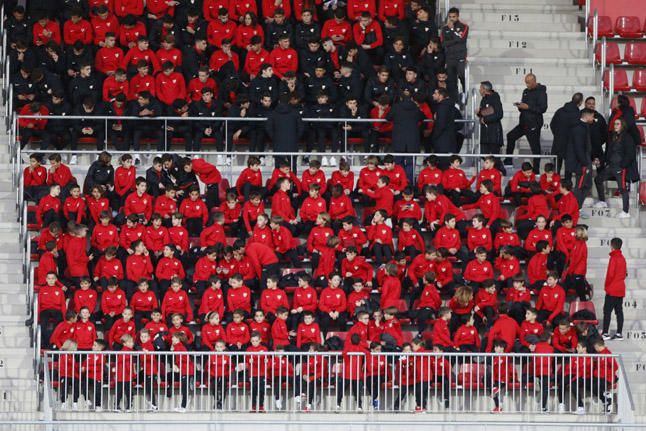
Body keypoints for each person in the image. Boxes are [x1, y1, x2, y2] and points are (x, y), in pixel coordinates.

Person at [593, 118, 638, 218]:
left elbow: (630, 154)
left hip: (620, 167)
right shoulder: (613, 137)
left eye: (617, 124)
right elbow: (609, 152)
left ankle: (625, 212)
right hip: (611, 166)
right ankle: (602, 201)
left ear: (622, 125)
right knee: (598, 179)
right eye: (614, 124)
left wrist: (622, 166)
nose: (615, 126)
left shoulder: (627, 137)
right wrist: (603, 161)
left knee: (622, 189)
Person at [505, 73, 548, 173]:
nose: (527, 85)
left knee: (535, 147)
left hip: (533, 124)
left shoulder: (541, 92)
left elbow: (543, 108)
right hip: (523, 123)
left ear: (534, 81)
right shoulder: (525, 91)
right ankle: (508, 160)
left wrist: (528, 107)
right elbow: (524, 106)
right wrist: (520, 106)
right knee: (510, 136)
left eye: (528, 83)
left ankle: (536, 170)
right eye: (526, 83)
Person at [385, 95, 424, 183]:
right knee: (410, 164)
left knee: (398, 164)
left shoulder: (396, 107)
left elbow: (388, 117)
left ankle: (400, 183)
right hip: (412, 141)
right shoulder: (415, 107)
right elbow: (423, 117)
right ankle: (409, 184)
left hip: (399, 140)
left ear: (401, 99)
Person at [266, 94, 305, 172]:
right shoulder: (295, 113)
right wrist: (295, 138)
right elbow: (301, 128)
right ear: (289, 101)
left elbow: (268, 128)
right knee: (292, 167)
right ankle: (292, 180)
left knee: (278, 168)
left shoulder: (273, 113)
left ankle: (279, 180)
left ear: (279, 101)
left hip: (278, 143)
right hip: (292, 143)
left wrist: (275, 138)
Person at [566, 108, 594, 207]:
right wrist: (584, 162)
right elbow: (579, 147)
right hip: (581, 162)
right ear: (587, 116)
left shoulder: (584, 126)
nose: (593, 118)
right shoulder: (578, 128)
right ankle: (575, 207)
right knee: (580, 185)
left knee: (588, 184)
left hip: (585, 159)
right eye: (592, 116)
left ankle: (578, 206)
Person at [550, 93, 583, 174]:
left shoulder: (560, 111)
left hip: (558, 142)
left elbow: (552, 124)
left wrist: (557, 135)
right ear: (580, 102)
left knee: (557, 166)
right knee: (569, 167)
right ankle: (567, 181)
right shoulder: (578, 114)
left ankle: (556, 181)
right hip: (570, 144)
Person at [601, 238, 627, 341]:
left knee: (607, 311)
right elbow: (625, 273)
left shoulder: (613, 258)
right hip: (620, 288)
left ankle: (605, 333)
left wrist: (606, 286)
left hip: (612, 289)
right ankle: (619, 333)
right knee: (619, 311)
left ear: (612, 246)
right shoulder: (622, 258)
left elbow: (610, 275)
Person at [440, 7, 468, 98]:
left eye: (454, 16)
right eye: (450, 17)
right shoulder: (444, 29)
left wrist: (452, 30)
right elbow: (443, 44)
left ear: (458, 16)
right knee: (451, 80)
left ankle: (465, 93)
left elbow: (461, 39)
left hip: (460, 57)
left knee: (462, 75)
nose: (451, 19)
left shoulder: (464, 27)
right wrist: (455, 39)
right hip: (450, 57)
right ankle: (454, 99)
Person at [477, 81, 503, 156]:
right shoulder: (484, 99)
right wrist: (479, 113)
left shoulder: (495, 98)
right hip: (485, 135)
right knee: (483, 155)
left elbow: (499, 114)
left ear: (485, 89)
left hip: (494, 135)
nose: (479, 90)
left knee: (495, 158)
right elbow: (483, 113)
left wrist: (485, 119)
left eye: (480, 88)